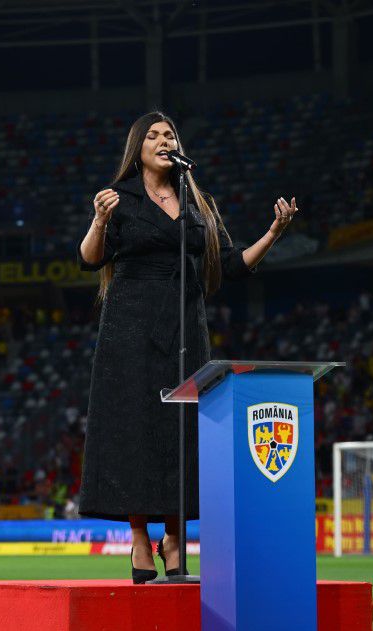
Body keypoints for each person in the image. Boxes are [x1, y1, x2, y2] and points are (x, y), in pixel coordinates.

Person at [77, 111, 298, 583]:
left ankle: (175, 538)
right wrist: (98, 221)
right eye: (153, 135)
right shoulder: (120, 199)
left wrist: (274, 234)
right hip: (130, 330)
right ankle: (139, 538)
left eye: (169, 134)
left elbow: (233, 265)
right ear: (137, 148)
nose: (163, 140)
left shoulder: (198, 202)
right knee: (135, 431)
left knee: (182, 433)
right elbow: (89, 258)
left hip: (186, 329)